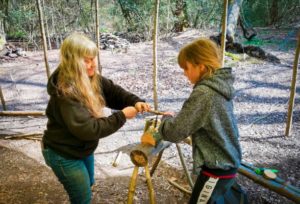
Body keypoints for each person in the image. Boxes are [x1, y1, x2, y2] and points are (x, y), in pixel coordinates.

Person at [42, 33, 150, 204]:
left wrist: (135, 101)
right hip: (63, 153)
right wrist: (122, 116)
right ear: (73, 62)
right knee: (82, 199)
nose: (93, 64)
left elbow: (113, 92)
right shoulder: (65, 91)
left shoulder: (90, 77)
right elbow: (89, 129)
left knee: (89, 184)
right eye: (87, 60)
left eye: (93, 59)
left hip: (81, 148)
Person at [152, 38, 246, 203]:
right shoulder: (220, 86)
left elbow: (174, 132)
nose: (184, 73)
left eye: (186, 68)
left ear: (201, 65)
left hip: (216, 169)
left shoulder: (204, 93)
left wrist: (166, 118)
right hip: (227, 162)